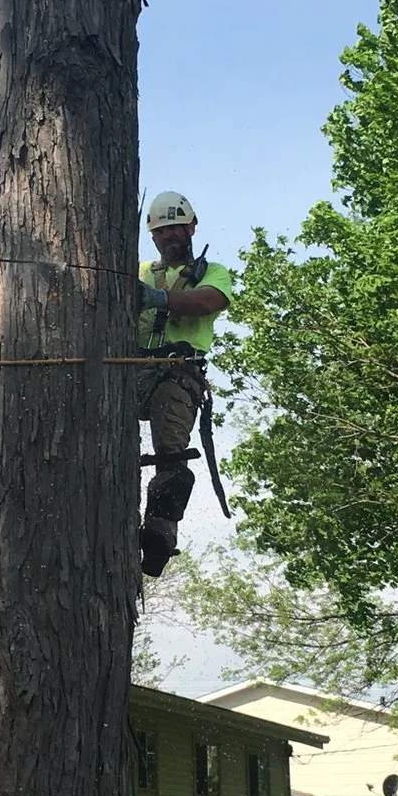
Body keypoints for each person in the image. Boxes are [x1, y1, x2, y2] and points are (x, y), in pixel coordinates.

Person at [137, 191, 233, 576]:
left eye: (177, 227)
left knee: (171, 455)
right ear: (153, 236)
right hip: (125, 368)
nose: (170, 235)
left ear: (192, 227)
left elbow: (209, 301)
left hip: (178, 371)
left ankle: (160, 535)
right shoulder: (140, 271)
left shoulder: (211, 272)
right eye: (162, 230)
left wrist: (156, 298)